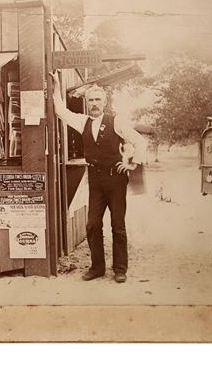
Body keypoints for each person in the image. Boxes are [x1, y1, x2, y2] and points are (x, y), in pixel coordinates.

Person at [50, 73, 147, 283]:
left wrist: (132, 163)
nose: (94, 104)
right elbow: (60, 111)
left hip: (116, 180)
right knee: (93, 225)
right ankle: (97, 267)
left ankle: (120, 269)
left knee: (117, 225)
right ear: (87, 102)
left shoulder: (116, 122)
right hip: (94, 181)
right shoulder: (82, 121)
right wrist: (57, 86)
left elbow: (140, 141)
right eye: (91, 100)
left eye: (98, 100)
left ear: (105, 102)